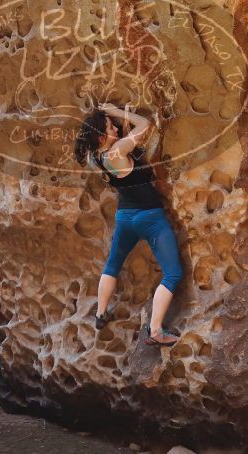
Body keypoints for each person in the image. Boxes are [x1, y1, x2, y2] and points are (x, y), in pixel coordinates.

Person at [74, 104, 184, 346]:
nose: (115, 128)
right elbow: (146, 126)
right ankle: (155, 331)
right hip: (150, 218)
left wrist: (121, 130)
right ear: (102, 137)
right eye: (110, 128)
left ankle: (101, 313)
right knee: (173, 273)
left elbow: (124, 155)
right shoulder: (116, 151)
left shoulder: (96, 158)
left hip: (125, 218)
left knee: (112, 264)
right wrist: (118, 112)